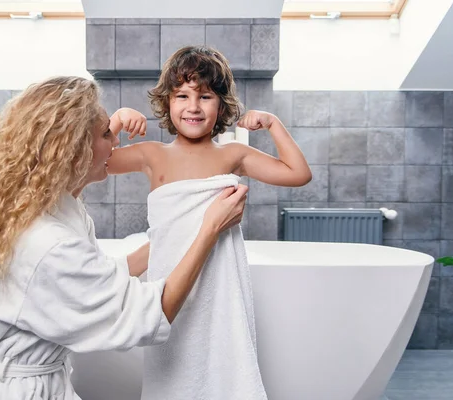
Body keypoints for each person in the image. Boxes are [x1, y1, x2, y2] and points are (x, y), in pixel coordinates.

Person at [0, 76, 248, 400]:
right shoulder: (49, 244)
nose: (115, 142)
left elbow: (99, 273)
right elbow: (150, 313)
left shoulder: (38, 210)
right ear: (72, 149)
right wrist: (209, 231)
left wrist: (181, 232)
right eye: (105, 133)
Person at [107, 45, 312, 399]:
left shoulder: (232, 155)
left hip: (218, 298)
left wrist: (274, 125)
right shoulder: (152, 155)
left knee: (219, 374)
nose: (193, 106)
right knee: (174, 371)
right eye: (182, 95)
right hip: (170, 290)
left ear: (220, 106)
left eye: (205, 96)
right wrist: (115, 122)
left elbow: (298, 174)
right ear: (167, 103)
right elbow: (93, 163)